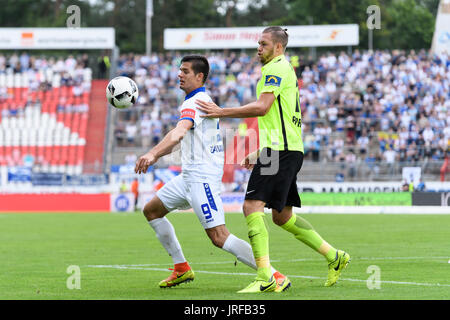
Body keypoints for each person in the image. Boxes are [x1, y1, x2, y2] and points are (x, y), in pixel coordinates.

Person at [196, 27, 350, 293]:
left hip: (280, 150)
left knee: (251, 206)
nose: (259, 47)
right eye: (258, 43)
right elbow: (277, 115)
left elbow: (262, 107)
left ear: (278, 47)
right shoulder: (281, 69)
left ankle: (265, 276)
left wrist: (221, 112)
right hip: (286, 148)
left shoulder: (275, 68)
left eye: (264, 43)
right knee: (282, 216)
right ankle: (334, 256)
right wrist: (259, 151)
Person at [134, 55, 289, 291]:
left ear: (199, 76)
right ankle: (181, 268)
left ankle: (274, 275)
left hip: (201, 178)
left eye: (185, 71)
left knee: (219, 236)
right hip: (189, 177)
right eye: (179, 70)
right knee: (152, 211)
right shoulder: (197, 100)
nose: (179, 74)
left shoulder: (195, 102)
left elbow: (179, 133)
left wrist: (153, 154)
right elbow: (182, 134)